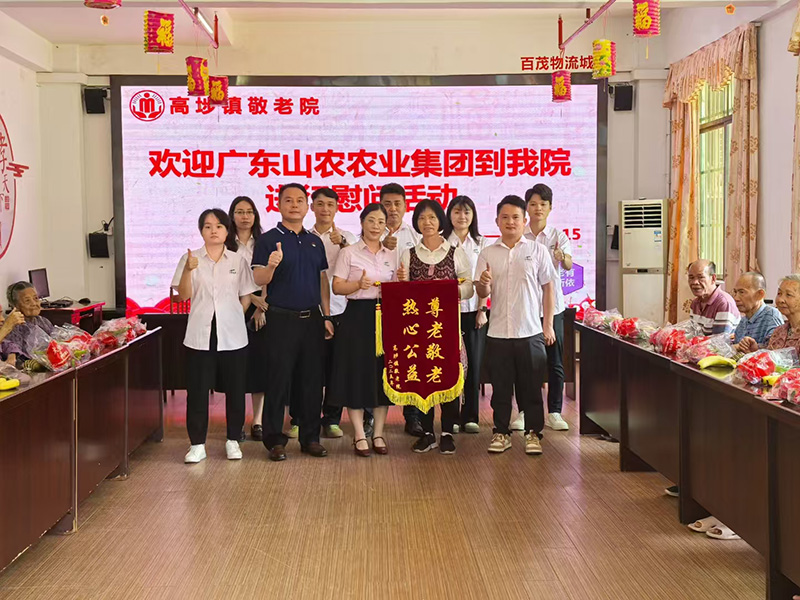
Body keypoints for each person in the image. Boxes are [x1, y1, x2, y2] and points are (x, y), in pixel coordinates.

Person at [252, 183, 335, 462]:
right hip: (281, 319)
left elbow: (322, 281)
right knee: (278, 380)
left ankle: (310, 438)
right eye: (288, 200)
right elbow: (258, 279)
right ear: (278, 205)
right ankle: (275, 440)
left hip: (312, 319)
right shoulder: (268, 240)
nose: (295, 205)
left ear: (307, 206)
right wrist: (272, 265)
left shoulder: (315, 241)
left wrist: (326, 316)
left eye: (300, 200)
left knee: (312, 381)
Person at [172, 208, 258, 464]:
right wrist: (188, 271)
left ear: (227, 230)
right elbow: (183, 296)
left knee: (235, 389)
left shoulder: (237, 260)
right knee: (198, 390)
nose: (213, 231)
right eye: (207, 226)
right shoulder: (190, 258)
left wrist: (235, 314)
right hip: (200, 333)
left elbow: (246, 294)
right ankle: (197, 444)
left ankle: (233, 440)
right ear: (201, 231)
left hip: (233, 334)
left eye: (219, 226)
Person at [475, 195, 557, 456]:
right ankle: (501, 432)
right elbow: (482, 291)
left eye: (515, 217)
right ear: (497, 221)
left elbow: (549, 289)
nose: (510, 222)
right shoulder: (487, 253)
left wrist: (548, 326)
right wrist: (484, 284)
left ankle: (533, 433)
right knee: (500, 388)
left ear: (524, 220)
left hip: (530, 331)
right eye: (505, 217)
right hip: (498, 332)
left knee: (531, 387)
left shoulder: (537, 251)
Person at [398, 199, 474, 454]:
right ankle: (428, 432)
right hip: (419, 330)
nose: (427, 222)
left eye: (431, 217)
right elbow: (403, 293)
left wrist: (451, 290)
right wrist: (401, 282)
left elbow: (469, 287)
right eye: (421, 218)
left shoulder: (454, 252)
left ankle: (448, 431)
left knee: (449, 379)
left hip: (447, 328)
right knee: (424, 380)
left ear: (440, 220)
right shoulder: (409, 253)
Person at [329, 203, 396, 456]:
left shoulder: (392, 254)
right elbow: (337, 287)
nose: (376, 226)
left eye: (381, 222)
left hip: (385, 318)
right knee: (356, 376)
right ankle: (359, 434)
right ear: (362, 222)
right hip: (357, 318)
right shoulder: (349, 252)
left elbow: (399, 287)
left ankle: (378, 433)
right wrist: (358, 284)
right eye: (371, 221)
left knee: (381, 376)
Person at [513, 183, 572, 432]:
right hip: (525, 307)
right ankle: (524, 411)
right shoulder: (519, 235)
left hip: (552, 307)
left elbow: (568, 264)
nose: (538, 208)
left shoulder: (558, 236)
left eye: (543, 204)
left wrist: (562, 257)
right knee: (523, 363)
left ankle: (555, 412)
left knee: (554, 361)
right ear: (526, 208)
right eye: (533, 204)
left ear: (550, 208)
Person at [310, 187, 358, 439]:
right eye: (320, 204)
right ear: (312, 207)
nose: (325, 209)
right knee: (309, 368)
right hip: (310, 309)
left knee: (336, 369)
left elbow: (359, 266)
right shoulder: (304, 236)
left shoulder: (348, 237)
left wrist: (344, 245)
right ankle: (303, 418)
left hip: (342, 309)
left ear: (337, 208)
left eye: (330, 204)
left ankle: (331, 419)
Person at [379, 182, 424, 438]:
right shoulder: (371, 231)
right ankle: (372, 417)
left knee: (411, 360)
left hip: (410, 308)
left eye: (397, 204)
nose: (392, 209)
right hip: (378, 306)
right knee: (378, 361)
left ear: (406, 206)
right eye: (387, 204)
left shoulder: (416, 234)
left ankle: (412, 416)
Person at [443, 195, 489, 434]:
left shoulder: (481, 243)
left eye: (467, 212)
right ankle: (450, 417)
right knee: (450, 366)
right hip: (446, 314)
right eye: (457, 212)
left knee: (473, 363)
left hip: (473, 312)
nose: (462, 217)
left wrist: (482, 309)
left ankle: (471, 416)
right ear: (449, 215)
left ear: (473, 216)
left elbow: (484, 279)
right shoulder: (441, 242)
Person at [227, 196, 268, 443]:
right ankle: (237, 422)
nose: (245, 216)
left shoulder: (264, 242)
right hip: (232, 309)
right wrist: (250, 297)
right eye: (240, 212)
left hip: (260, 311)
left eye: (249, 212)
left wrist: (261, 306)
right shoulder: (224, 243)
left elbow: (270, 276)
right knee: (236, 369)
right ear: (232, 216)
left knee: (259, 367)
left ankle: (258, 421)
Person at [1, 282, 56, 365]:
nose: (34, 303)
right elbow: (18, 359)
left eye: (36, 298)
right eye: (27, 301)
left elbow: (55, 343)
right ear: (15, 305)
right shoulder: (13, 328)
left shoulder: (43, 321)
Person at [731, 271, 783, 353]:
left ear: (760, 294)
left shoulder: (771, 316)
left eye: (742, 292)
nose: (736, 298)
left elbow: (774, 351)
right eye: (735, 292)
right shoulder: (743, 321)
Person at [688, 260, 740, 335]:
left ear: (713, 278)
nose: (695, 282)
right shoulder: (695, 303)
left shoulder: (723, 303)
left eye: (701, 277)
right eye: (691, 277)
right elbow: (693, 334)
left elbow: (720, 339)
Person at [767, 275, 800, 353]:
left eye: (789, 295)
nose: (780, 300)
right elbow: (770, 357)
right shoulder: (778, 331)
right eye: (779, 293)